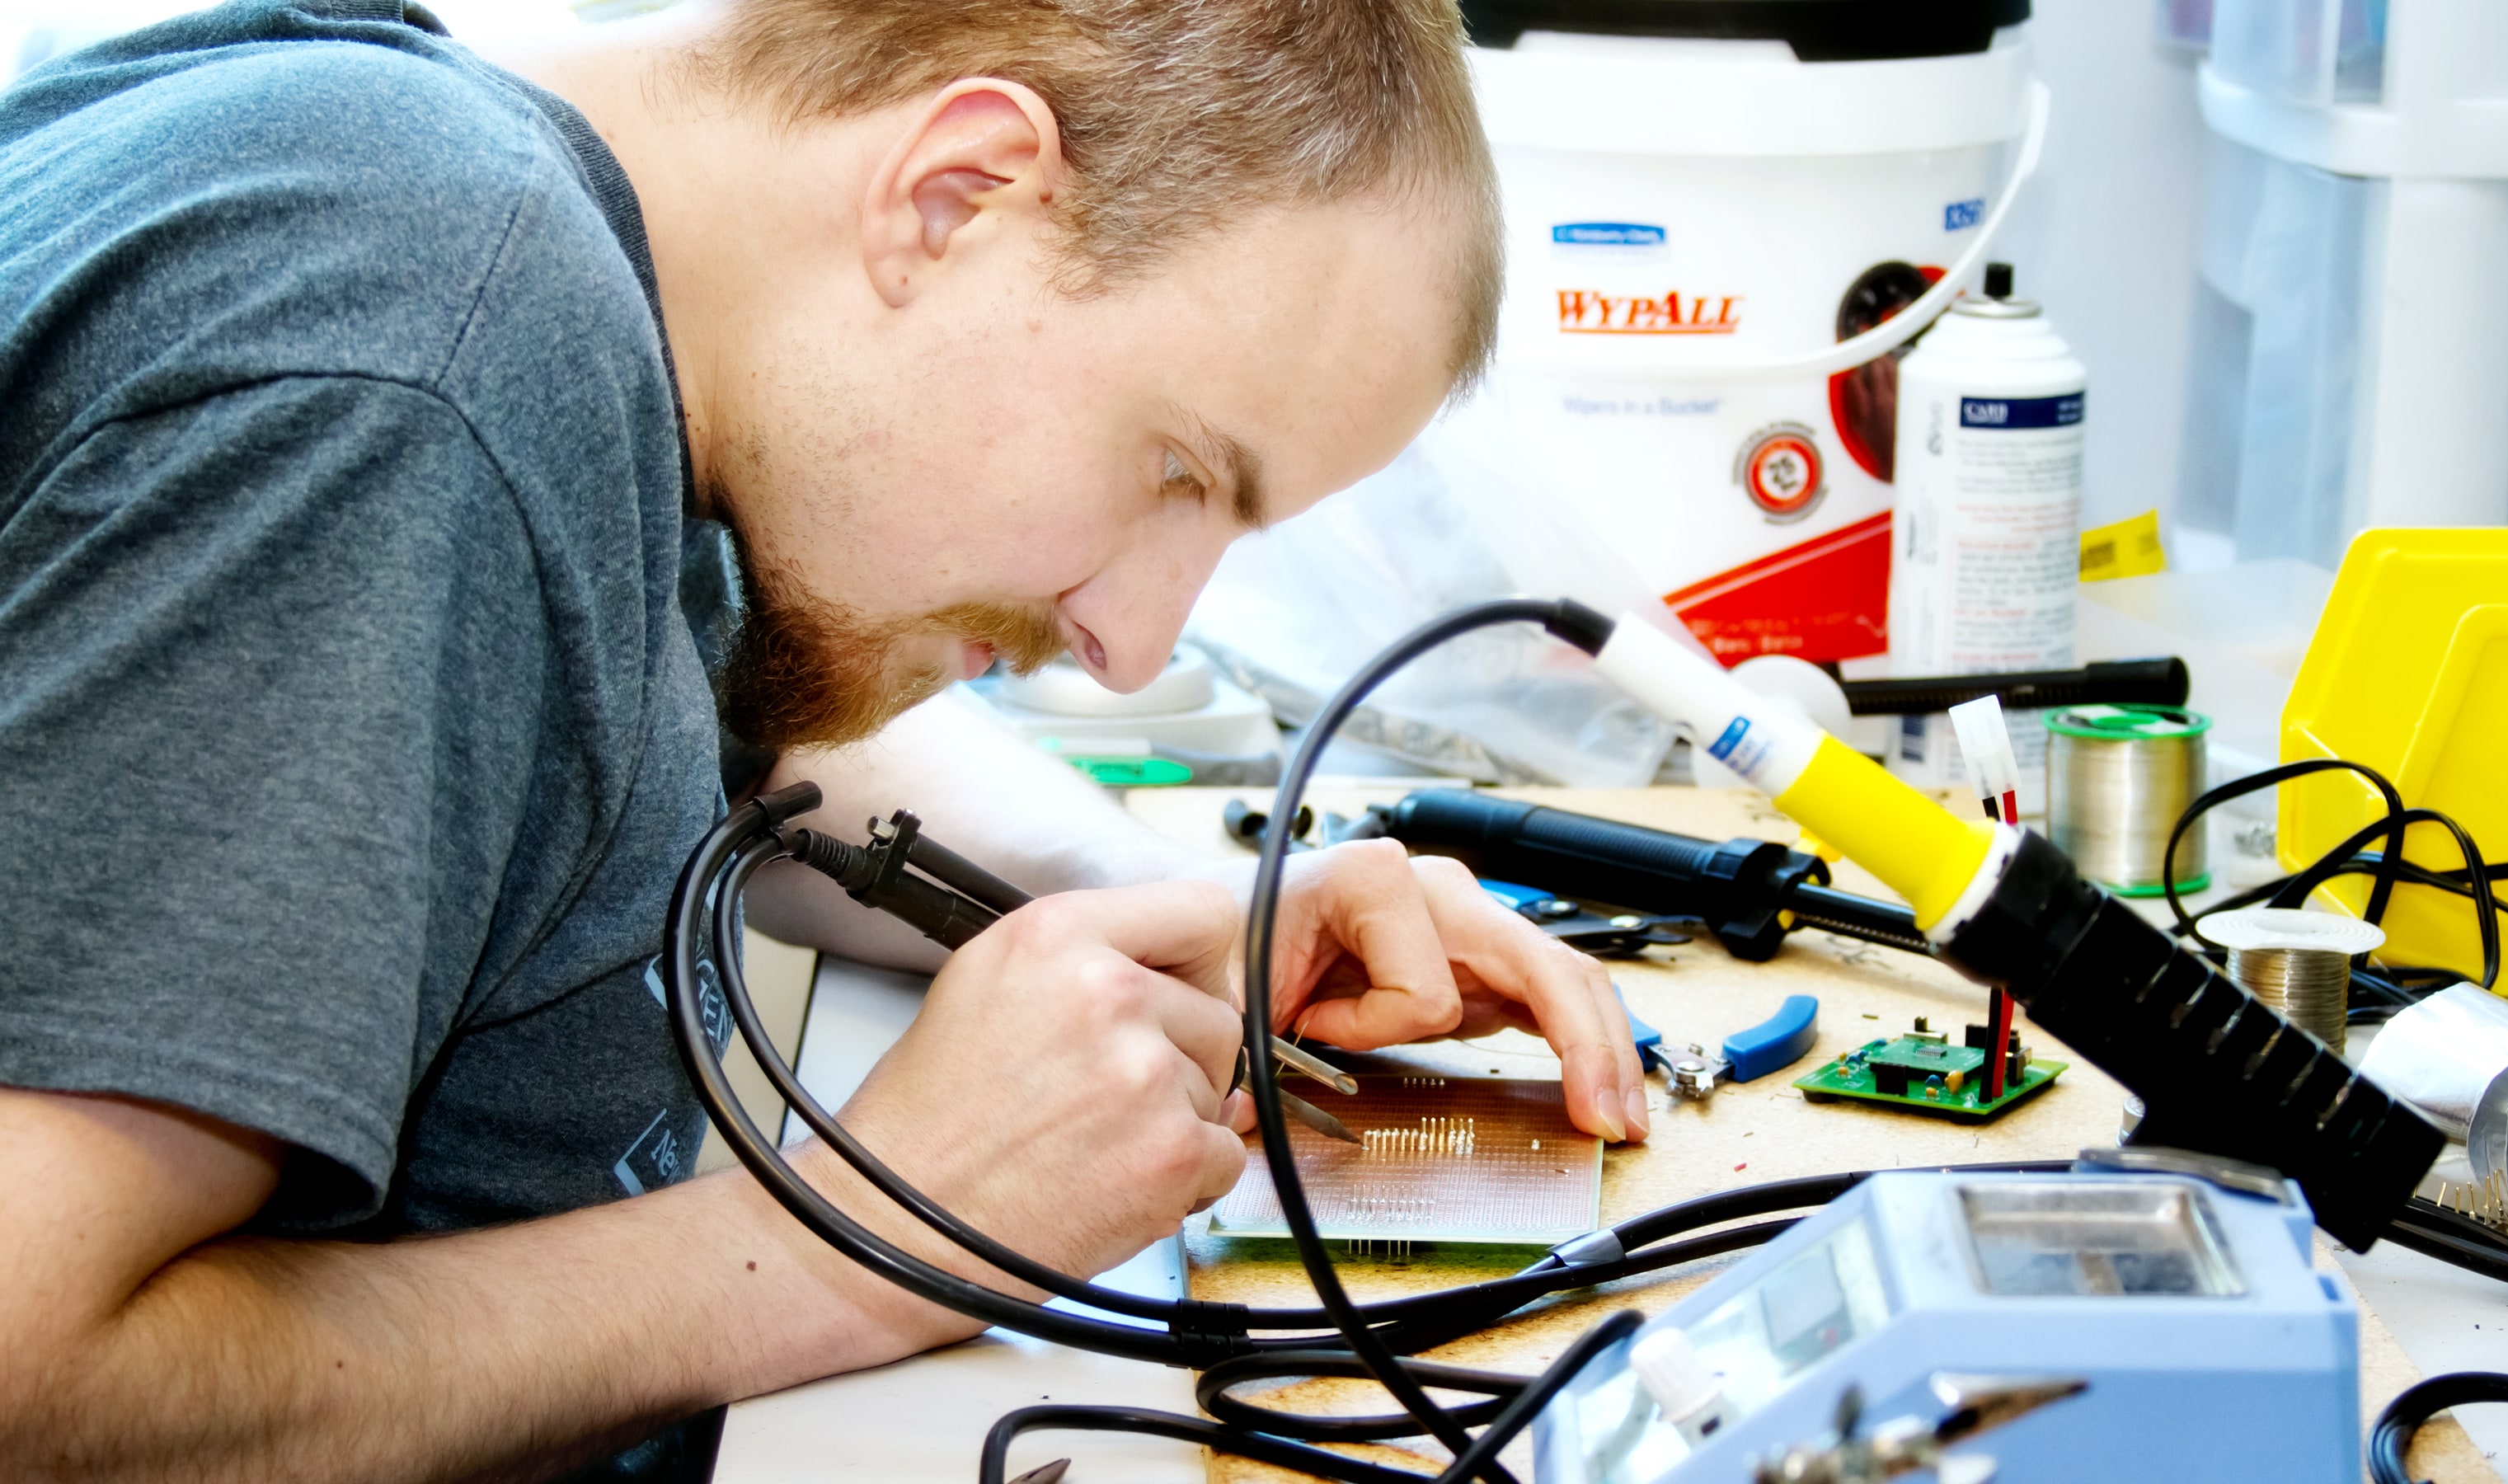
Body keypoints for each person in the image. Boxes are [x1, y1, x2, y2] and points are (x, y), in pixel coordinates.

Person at [0, 2, 1651, 1479]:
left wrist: (1175, 908)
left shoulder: (497, 227)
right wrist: (870, 1241)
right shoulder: (411, 366)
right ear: (959, 194)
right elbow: (29, 1385)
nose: (1132, 638)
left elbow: (670, 697)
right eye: (1170, 472)